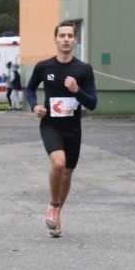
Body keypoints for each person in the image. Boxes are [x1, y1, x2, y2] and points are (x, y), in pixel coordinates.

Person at [25, 21, 97, 238]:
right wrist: (34, 106)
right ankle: (54, 207)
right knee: (58, 163)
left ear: (75, 40)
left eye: (70, 36)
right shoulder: (44, 67)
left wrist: (76, 90)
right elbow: (29, 89)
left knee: (67, 176)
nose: (66, 39)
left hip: (73, 128)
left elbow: (92, 103)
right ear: (55, 39)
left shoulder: (83, 69)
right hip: (51, 124)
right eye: (62, 35)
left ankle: (56, 215)